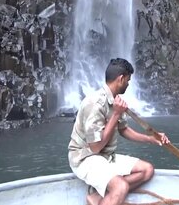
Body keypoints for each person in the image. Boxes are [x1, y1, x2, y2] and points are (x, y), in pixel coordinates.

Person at [68, 58, 170, 205]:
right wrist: (116, 114)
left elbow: (124, 130)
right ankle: (113, 192)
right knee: (121, 186)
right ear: (121, 79)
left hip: (106, 156)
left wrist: (152, 138)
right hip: (86, 158)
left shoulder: (116, 100)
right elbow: (95, 147)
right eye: (128, 81)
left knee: (147, 170)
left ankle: (97, 197)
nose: (128, 84)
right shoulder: (94, 103)